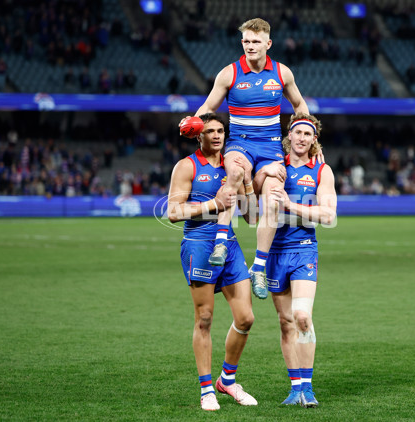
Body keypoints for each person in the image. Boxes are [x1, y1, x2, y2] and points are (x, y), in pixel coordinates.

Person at [179, 17, 312, 301]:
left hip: (272, 147)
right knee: (236, 173)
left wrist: (313, 138)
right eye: (246, 41)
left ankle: (259, 266)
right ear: (242, 43)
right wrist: (193, 120)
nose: (251, 46)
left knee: (275, 195)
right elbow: (208, 106)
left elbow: (299, 105)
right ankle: (221, 242)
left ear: (268, 43)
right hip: (240, 143)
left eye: (256, 41)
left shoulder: (282, 73)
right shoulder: (228, 74)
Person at [167, 113, 259, 411]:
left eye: (221, 130)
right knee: (204, 318)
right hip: (199, 245)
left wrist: (246, 183)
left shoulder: (233, 165)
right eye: (210, 131)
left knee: (246, 318)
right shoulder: (187, 166)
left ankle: (227, 381)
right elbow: (173, 212)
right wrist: (213, 204)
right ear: (199, 136)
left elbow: (252, 217)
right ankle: (207, 389)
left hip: (229, 246)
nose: (217, 135)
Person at [254, 113, 336, 407]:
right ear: (288, 136)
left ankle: (309, 388)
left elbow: (328, 215)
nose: (301, 138)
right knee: (286, 322)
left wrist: (290, 205)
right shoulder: (275, 169)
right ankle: (296, 387)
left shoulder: (321, 171)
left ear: (314, 139)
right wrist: (261, 177)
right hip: (274, 252)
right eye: (297, 132)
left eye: (307, 133)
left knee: (302, 316)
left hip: (303, 249)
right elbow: (254, 205)